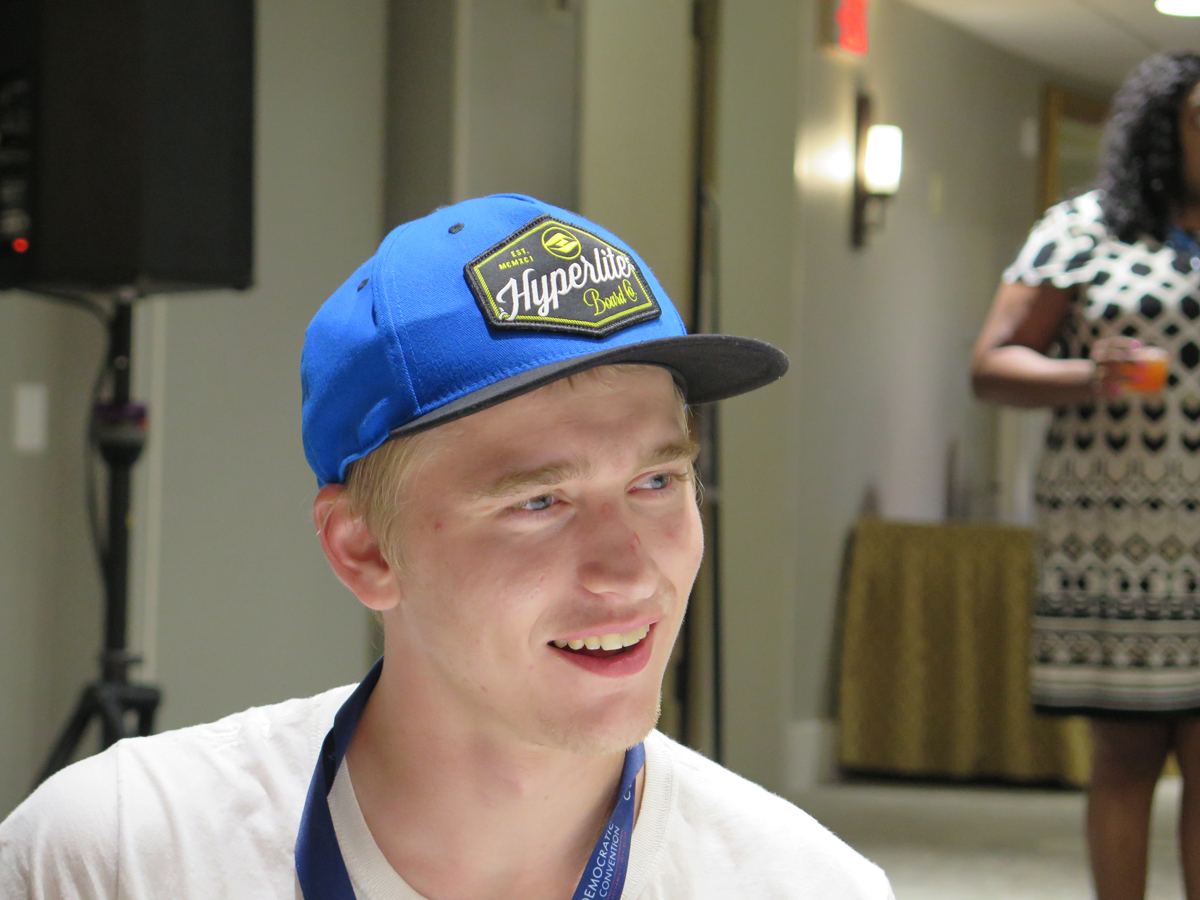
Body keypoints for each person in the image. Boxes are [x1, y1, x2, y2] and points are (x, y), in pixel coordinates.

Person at [0, 194, 894, 899]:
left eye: (657, 482)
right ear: (364, 552)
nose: (630, 570)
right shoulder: (115, 858)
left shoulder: (805, 885)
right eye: (540, 501)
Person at [973, 52, 1200, 900]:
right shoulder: (1084, 227)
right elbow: (991, 364)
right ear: (1164, 129)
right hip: (1120, 531)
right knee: (1129, 752)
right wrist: (1088, 374)